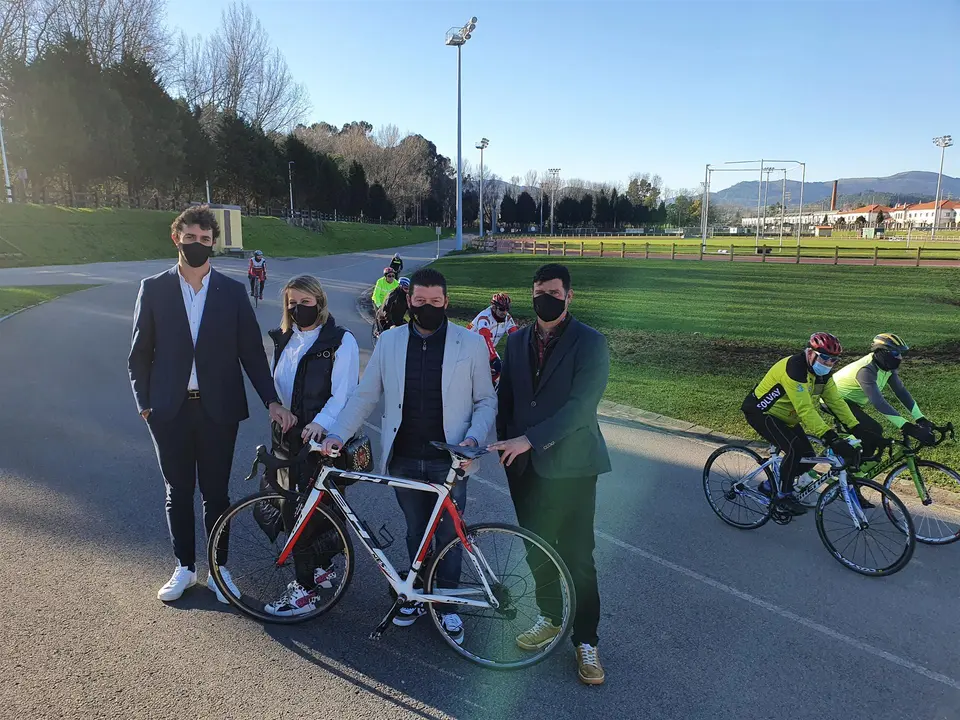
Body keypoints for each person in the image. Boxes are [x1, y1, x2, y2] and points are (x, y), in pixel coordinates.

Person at [128, 205, 297, 603]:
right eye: (190, 237)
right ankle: (184, 568)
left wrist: (272, 400)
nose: (197, 244)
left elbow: (251, 353)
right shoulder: (153, 289)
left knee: (216, 494)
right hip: (168, 410)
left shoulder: (232, 293)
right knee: (178, 491)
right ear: (176, 238)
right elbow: (139, 354)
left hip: (217, 410)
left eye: (205, 239)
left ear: (213, 244)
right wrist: (145, 405)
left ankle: (219, 571)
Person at [320, 267, 496, 644]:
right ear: (410, 302)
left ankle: (446, 604)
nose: (427, 307)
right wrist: (337, 433)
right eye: (420, 301)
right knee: (416, 531)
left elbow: (485, 400)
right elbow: (365, 395)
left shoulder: (470, 343)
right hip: (404, 457)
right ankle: (417, 594)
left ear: (446, 302)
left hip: (450, 459)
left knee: (448, 535)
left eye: (435, 301)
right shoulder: (390, 341)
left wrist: (473, 438)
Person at [488, 263, 611, 686]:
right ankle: (549, 616)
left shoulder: (591, 342)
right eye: (540, 292)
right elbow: (506, 398)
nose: (546, 299)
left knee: (577, 556)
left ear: (569, 296)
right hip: (524, 468)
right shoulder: (516, 340)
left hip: (574, 468)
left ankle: (586, 640)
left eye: (554, 293)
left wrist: (531, 439)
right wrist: (504, 444)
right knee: (536, 549)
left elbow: (582, 407)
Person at [262, 275, 360, 616]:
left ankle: (305, 589)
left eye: (305, 302)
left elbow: (345, 392)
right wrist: (277, 407)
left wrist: (321, 422)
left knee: (313, 512)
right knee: (284, 506)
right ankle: (317, 568)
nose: (298, 308)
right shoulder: (284, 338)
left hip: (319, 439)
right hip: (285, 438)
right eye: (292, 303)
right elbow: (276, 385)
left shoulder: (340, 341)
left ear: (319, 301)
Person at [741, 332, 863, 516]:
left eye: (834, 360)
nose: (829, 364)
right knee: (794, 450)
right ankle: (783, 496)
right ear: (810, 353)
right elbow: (805, 409)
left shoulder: (822, 375)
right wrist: (829, 437)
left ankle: (769, 487)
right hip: (761, 412)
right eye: (825, 358)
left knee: (808, 457)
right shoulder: (794, 367)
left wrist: (857, 428)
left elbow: (836, 402)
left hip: (786, 418)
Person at [831, 333, 935, 459]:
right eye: (895, 353)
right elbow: (879, 402)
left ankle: (855, 463)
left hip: (851, 401)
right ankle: (844, 460)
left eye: (901, 353)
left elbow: (901, 392)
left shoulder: (886, 366)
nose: (900, 357)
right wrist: (906, 426)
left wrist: (920, 418)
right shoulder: (866, 371)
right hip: (834, 399)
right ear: (882, 352)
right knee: (872, 430)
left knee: (870, 436)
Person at [467, 292, 519, 386]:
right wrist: (493, 358)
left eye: (507, 309)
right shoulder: (484, 317)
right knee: (479, 375)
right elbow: (485, 338)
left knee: (498, 373)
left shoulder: (507, 318)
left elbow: (516, 337)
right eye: (502, 309)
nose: (505, 312)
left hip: (485, 347)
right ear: (494, 308)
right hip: (469, 348)